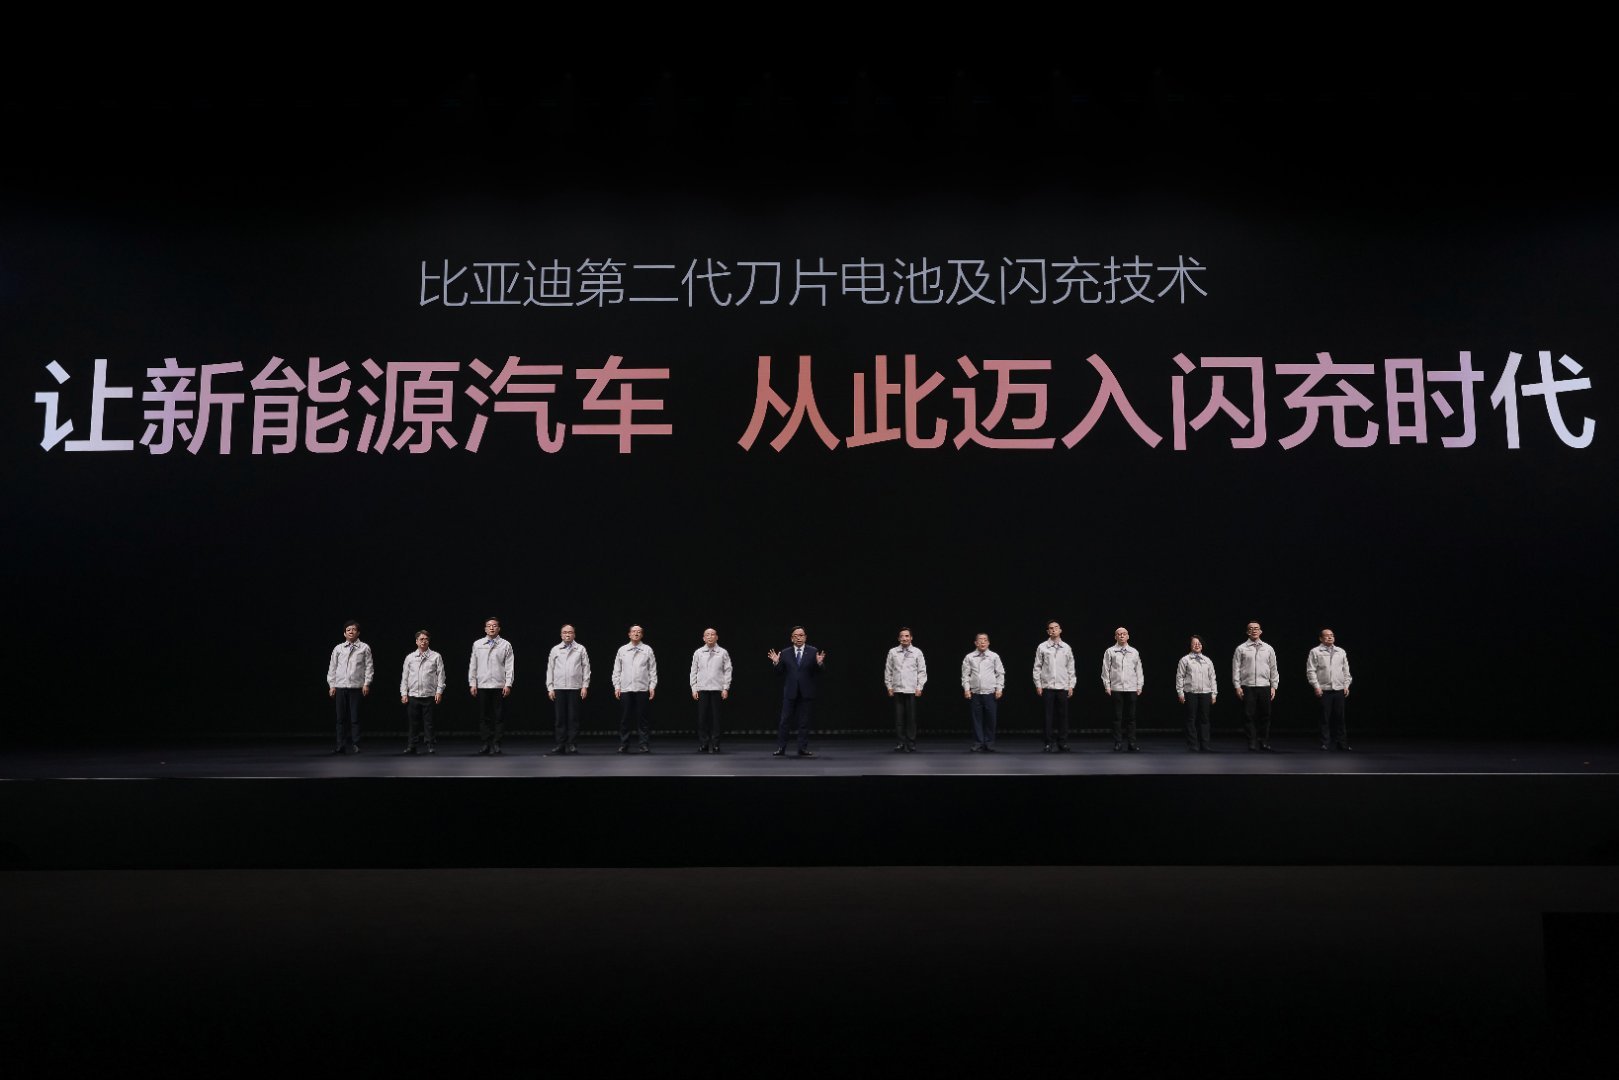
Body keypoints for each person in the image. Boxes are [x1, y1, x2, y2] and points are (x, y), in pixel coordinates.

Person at [768, 626, 825, 757]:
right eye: (796, 636)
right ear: (791, 638)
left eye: (801, 635)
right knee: (784, 721)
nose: (799, 638)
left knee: (804, 722)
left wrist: (820, 664)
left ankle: (802, 748)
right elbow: (779, 672)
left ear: (805, 637)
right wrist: (776, 663)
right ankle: (781, 748)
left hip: (806, 692)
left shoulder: (813, 651)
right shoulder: (785, 652)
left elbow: (820, 672)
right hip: (790, 692)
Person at [326, 620, 374, 754]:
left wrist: (366, 683)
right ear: (344, 633)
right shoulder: (338, 648)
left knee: (355, 717)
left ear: (358, 633)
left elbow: (369, 667)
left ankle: (356, 744)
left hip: (356, 687)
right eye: (348, 630)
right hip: (340, 686)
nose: (351, 631)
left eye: (353, 629)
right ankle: (340, 745)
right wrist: (332, 685)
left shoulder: (364, 648)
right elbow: (332, 668)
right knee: (340, 718)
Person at [468, 618, 514, 755]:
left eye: (494, 626)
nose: (492, 628)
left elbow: (509, 666)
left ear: (499, 628)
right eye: (489, 626)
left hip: (499, 685)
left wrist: (508, 684)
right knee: (484, 716)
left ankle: (497, 743)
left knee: (499, 716)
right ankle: (486, 743)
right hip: (482, 684)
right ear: (485, 629)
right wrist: (472, 683)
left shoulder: (505, 644)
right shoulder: (478, 644)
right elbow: (473, 665)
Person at [1232, 621, 1279, 752]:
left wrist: (1273, 686)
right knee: (1248, 715)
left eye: (1256, 628)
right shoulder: (1241, 648)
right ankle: (1252, 742)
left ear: (1260, 631)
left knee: (1265, 715)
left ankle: (1263, 741)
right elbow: (1236, 669)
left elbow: (1273, 668)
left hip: (1264, 686)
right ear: (1247, 632)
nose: (1254, 630)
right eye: (1251, 628)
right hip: (1248, 686)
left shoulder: (1268, 648)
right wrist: (1237, 686)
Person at [545, 625, 591, 755]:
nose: (567, 634)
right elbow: (550, 669)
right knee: (560, 718)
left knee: (573, 717)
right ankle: (560, 744)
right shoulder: (555, 649)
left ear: (574, 634)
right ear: (561, 635)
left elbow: (586, 668)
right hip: (559, 687)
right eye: (565, 632)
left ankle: (572, 744)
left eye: (570, 632)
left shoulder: (580, 649)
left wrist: (585, 686)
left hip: (574, 687)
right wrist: (550, 687)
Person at [611, 625, 658, 753]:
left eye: (638, 632)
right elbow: (617, 670)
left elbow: (652, 670)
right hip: (626, 688)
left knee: (642, 718)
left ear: (642, 635)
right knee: (625, 718)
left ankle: (643, 744)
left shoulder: (647, 649)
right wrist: (617, 686)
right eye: (633, 631)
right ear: (629, 634)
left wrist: (652, 686)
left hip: (642, 688)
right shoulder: (622, 650)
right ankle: (624, 744)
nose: (636, 633)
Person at [1306, 628, 1354, 751]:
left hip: (1339, 689)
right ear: (1321, 638)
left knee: (1340, 718)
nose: (1330, 637)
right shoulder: (1315, 651)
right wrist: (1316, 686)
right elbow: (1311, 671)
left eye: (1332, 635)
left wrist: (1346, 685)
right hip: (1324, 689)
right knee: (1324, 718)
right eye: (1326, 635)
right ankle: (1325, 743)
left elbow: (1346, 670)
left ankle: (1342, 743)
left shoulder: (1340, 651)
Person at [1033, 620, 1076, 752]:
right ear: (1048, 631)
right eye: (1051, 628)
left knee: (1063, 716)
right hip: (1048, 686)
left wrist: (1071, 685)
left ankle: (1062, 743)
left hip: (1063, 686)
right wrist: (1038, 684)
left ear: (1060, 630)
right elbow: (1037, 667)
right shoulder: (1042, 647)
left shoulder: (1066, 647)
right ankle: (1048, 743)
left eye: (1056, 627)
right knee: (1048, 717)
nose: (1053, 630)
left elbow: (1070, 667)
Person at [399, 630, 444, 755]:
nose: (424, 641)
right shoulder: (410, 657)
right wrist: (404, 693)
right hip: (413, 695)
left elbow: (441, 676)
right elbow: (405, 677)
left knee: (429, 722)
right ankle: (412, 746)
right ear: (416, 641)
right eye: (421, 639)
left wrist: (439, 691)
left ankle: (430, 745)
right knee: (413, 723)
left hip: (429, 694)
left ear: (429, 641)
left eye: (426, 639)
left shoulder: (435, 656)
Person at [1101, 626, 1145, 752]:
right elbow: (1105, 669)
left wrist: (1139, 685)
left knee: (1131, 717)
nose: (1121, 636)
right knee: (1117, 717)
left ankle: (1132, 743)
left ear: (1128, 636)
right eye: (1119, 634)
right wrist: (1107, 685)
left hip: (1131, 687)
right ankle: (1118, 742)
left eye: (1124, 634)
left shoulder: (1134, 652)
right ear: (1115, 637)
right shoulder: (1110, 651)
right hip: (1116, 687)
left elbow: (1139, 670)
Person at [883, 627, 928, 752]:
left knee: (911, 718)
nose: (904, 638)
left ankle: (911, 742)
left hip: (911, 689)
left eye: (907, 636)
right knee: (899, 719)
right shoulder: (893, 652)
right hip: (897, 688)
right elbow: (888, 670)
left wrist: (920, 687)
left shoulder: (917, 652)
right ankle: (900, 742)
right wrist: (889, 686)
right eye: (902, 636)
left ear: (911, 638)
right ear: (899, 638)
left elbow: (922, 671)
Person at [689, 627, 733, 753]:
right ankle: (704, 743)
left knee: (716, 718)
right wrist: (694, 688)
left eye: (712, 634)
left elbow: (728, 670)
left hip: (717, 689)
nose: (710, 636)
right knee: (702, 718)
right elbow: (693, 671)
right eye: (707, 635)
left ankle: (716, 744)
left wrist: (725, 688)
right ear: (704, 638)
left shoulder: (722, 652)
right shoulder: (698, 652)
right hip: (702, 688)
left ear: (716, 637)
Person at [961, 633, 1004, 752]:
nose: (983, 642)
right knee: (976, 720)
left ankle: (989, 743)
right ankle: (978, 743)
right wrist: (966, 689)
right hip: (975, 693)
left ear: (988, 643)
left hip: (990, 693)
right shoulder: (970, 657)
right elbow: (965, 675)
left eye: (985, 640)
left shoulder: (994, 656)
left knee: (991, 719)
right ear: (976, 643)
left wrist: (999, 689)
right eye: (980, 640)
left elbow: (1000, 673)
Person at [1175, 635, 1218, 752]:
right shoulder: (1185, 660)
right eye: (1194, 643)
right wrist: (1180, 693)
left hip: (1205, 693)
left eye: (1199, 643)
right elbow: (1180, 677)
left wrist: (1214, 694)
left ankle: (1205, 745)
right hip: (1191, 692)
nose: (1197, 645)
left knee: (1205, 719)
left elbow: (1212, 678)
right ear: (1190, 646)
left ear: (1202, 645)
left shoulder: (1207, 661)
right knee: (1191, 719)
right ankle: (1193, 745)